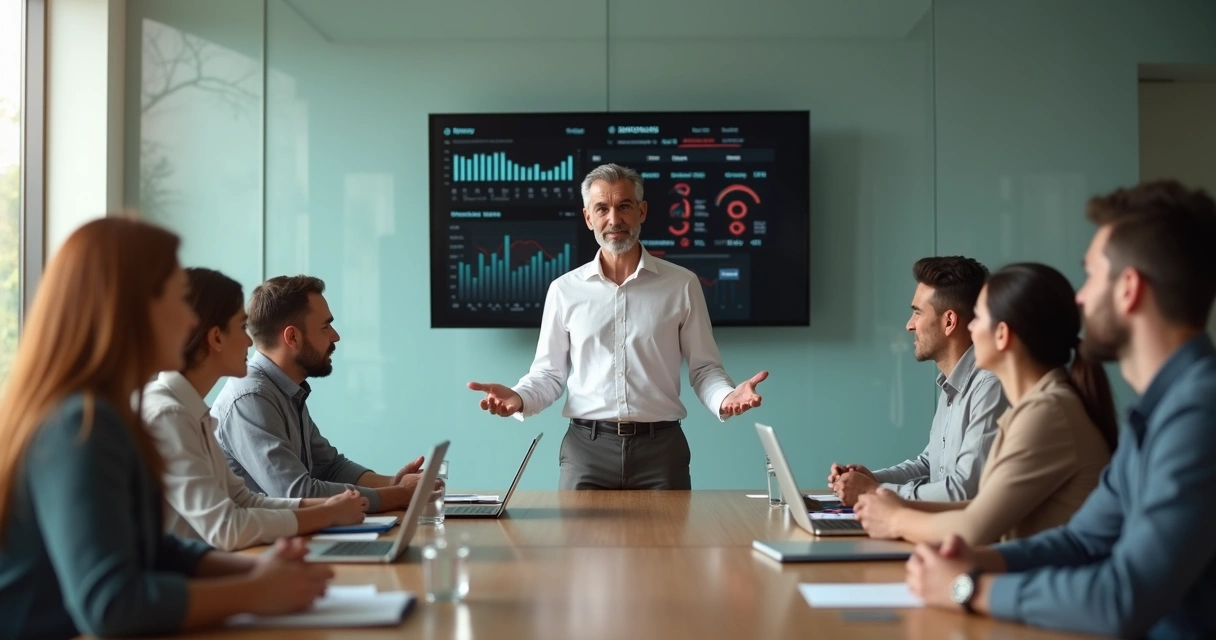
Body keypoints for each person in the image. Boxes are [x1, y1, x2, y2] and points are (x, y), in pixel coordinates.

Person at [906, 180, 1216, 639]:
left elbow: (1121, 597)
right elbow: (1083, 540)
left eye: (1091, 276)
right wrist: (978, 560)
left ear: (1129, 289)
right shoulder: (1157, 411)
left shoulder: (1199, 416)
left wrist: (966, 588)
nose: (1080, 297)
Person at [0, 218, 333, 640]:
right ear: (130, 309)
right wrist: (254, 592)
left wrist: (257, 569)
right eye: (178, 298)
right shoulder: (79, 425)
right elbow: (112, 605)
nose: (190, 318)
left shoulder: (112, 413)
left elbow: (153, 550)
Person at [466, 163, 769, 489]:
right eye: (602, 208)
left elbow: (704, 369)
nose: (614, 219)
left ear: (642, 211)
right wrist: (519, 397)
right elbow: (550, 374)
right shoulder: (564, 290)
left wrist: (726, 397)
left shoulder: (682, 285)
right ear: (588, 218)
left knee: (671, 542)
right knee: (577, 542)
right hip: (586, 449)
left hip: (662, 450)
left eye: (624, 206)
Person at [854, 263, 1116, 545]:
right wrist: (886, 500)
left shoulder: (1048, 412)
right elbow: (977, 509)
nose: (971, 328)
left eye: (978, 317)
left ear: (1002, 335)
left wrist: (894, 517)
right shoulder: (1038, 407)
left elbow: (973, 527)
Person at [143, 268, 368, 551]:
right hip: (191, 583)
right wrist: (327, 513)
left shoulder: (191, 411)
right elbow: (227, 528)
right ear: (216, 338)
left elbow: (246, 500)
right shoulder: (169, 414)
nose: (251, 342)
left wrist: (332, 507)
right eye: (241, 327)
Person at [213, 275, 430, 513]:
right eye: (325, 327)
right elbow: (297, 494)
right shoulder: (251, 398)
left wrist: (395, 483)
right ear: (292, 337)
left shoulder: (284, 389)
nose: (335, 336)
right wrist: (396, 495)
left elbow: (330, 466)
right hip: (260, 548)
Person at [829, 256, 1008, 506]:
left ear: (949, 322)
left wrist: (872, 492)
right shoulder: (952, 384)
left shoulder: (989, 385)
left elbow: (964, 491)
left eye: (917, 313)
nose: (909, 325)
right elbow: (930, 466)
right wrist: (871, 480)